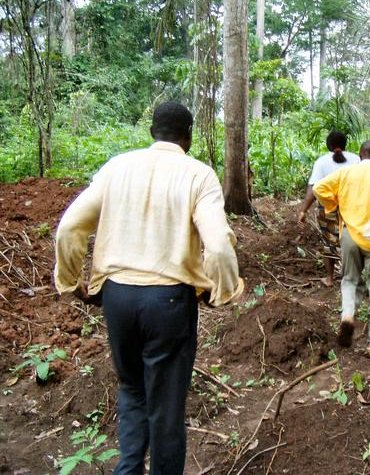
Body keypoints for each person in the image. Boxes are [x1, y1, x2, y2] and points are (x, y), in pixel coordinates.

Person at [54, 102, 244, 474]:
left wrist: (70, 280)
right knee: (167, 407)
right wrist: (223, 291)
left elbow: (68, 228)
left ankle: (127, 470)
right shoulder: (198, 175)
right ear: (187, 136)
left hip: (118, 297)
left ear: (151, 132)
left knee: (132, 390)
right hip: (168, 301)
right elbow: (219, 246)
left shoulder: (117, 167)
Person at [313, 140, 370, 357]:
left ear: (361, 155)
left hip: (349, 237)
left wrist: (334, 204)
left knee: (349, 280)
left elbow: (319, 188)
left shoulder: (346, 174)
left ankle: (347, 316)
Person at [297, 130, 359, 287]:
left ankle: (330, 278)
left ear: (328, 145)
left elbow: (313, 189)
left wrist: (303, 210)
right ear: (345, 144)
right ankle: (352, 277)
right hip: (353, 208)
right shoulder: (356, 159)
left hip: (328, 208)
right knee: (353, 240)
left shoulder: (322, 162)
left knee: (329, 242)